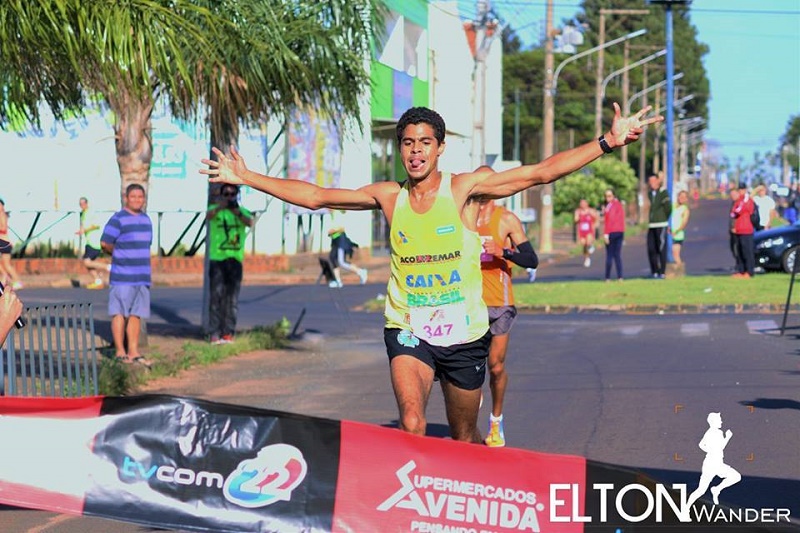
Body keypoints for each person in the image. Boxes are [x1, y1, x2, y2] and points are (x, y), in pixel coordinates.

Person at [201, 103, 661, 443]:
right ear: (400, 148)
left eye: (425, 143)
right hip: (407, 327)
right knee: (412, 423)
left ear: (440, 148)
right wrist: (249, 177)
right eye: (408, 143)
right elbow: (318, 196)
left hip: (464, 333)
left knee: (463, 438)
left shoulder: (464, 189)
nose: (416, 152)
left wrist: (608, 141)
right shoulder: (388, 195)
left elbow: (539, 173)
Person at [476, 190, 538, 448]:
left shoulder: (506, 219)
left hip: (500, 304)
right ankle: (467, 424)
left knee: (496, 366)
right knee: (467, 368)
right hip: (470, 303)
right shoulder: (462, 217)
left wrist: (504, 252)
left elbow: (531, 259)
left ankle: (496, 421)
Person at [101, 184, 154, 367]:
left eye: (141, 197)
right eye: (134, 197)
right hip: (122, 276)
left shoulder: (146, 220)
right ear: (126, 198)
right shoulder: (118, 219)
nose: (137, 200)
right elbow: (105, 243)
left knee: (136, 315)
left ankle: (133, 351)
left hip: (142, 276)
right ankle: (120, 351)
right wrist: (119, 255)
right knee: (119, 313)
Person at [206, 183, 253, 344]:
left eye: (232, 194)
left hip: (235, 260)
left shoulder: (241, 212)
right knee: (216, 297)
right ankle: (214, 333)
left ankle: (228, 333)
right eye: (226, 194)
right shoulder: (215, 210)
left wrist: (236, 211)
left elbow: (249, 222)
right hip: (217, 259)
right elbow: (209, 216)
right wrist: (221, 206)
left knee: (231, 299)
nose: (229, 197)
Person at [685, 412, 741, 511]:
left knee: (736, 477)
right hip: (710, 465)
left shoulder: (718, 433)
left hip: (718, 464)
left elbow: (715, 447)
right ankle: (686, 509)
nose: (721, 422)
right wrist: (712, 450)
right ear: (713, 422)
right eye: (720, 420)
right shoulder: (711, 433)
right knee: (701, 490)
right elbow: (701, 445)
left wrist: (727, 438)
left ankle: (716, 489)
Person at [76, 197, 110, 289]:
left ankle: (109, 267)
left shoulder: (91, 212)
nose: (82, 205)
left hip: (94, 242)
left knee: (87, 262)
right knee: (89, 264)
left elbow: (96, 225)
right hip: (89, 242)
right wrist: (81, 230)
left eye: (83, 203)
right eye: (80, 204)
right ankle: (98, 281)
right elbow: (84, 226)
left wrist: (84, 230)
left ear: (87, 203)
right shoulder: (83, 214)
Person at [646, 173, 671, 279]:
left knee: (661, 248)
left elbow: (668, 208)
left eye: (653, 181)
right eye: (650, 181)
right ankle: (654, 271)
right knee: (651, 248)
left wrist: (663, 218)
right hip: (652, 225)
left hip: (661, 224)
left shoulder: (663, 192)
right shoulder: (650, 194)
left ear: (658, 181)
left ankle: (662, 271)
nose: (651, 183)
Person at [730, 182, 756, 279]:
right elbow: (732, 213)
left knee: (747, 251)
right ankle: (741, 270)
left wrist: (736, 210)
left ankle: (749, 271)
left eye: (741, 189)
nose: (740, 191)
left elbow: (738, 210)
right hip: (739, 229)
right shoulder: (738, 200)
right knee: (740, 251)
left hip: (746, 229)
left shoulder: (746, 199)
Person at [602, 188, 625, 282]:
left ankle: (607, 277)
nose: (607, 198)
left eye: (609, 196)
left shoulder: (611, 206)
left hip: (612, 232)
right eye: (606, 196)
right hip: (620, 231)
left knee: (610, 255)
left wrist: (606, 234)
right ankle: (620, 277)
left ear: (613, 196)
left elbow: (610, 221)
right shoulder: (618, 205)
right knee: (617, 255)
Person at [0, 199, 23, 290]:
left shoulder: (2, 215)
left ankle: (17, 281)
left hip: (4, 243)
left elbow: (3, 227)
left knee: (7, 265)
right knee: (5, 264)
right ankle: (6, 279)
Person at [670, 189, 691, 274]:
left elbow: (684, 223)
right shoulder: (673, 206)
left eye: (684, 197)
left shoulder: (685, 209)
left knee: (675, 254)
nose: (681, 198)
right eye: (680, 196)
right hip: (669, 232)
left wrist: (676, 231)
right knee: (669, 253)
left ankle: (679, 271)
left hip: (678, 234)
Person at [574, 198, 598, 268]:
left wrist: (595, 225)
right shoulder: (578, 211)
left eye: (584, 203)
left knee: (588, 243)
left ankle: (591, 246)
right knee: (584, 245)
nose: (583, 205)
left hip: (589, 230)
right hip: (582, 231)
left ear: (587, 204)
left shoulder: (590, 210)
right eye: (581, 203)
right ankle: (587, 258)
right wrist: (578, 218)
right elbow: (575, 220)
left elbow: (596, 218)